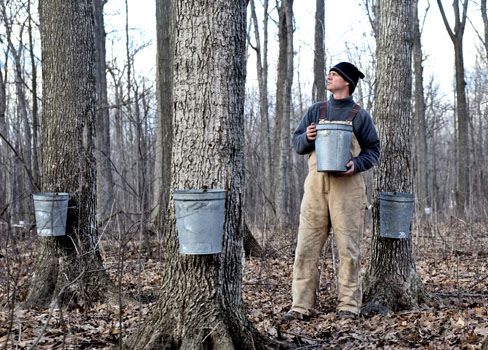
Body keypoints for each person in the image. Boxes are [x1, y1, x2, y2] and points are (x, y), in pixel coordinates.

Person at [284, 62, 380, 321]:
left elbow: (373, 151)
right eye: (330, 73)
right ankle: (300, 305)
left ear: (347, 82)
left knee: (348, 249)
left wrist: (355, 164)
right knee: (306, 247)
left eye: (335, 74)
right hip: (315, 188)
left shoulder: (360, 115)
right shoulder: (316, 110)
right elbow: (296, 143)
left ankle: (348, 305)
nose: (329, 77)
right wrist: (308, 136)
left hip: (347, 188)